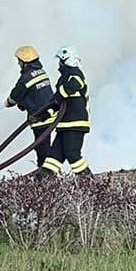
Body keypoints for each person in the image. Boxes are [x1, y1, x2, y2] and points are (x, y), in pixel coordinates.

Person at [39, 46, 91, 178]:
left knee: (72, 154)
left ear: (65, 60)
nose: (59, 64)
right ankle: (43, 183)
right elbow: (58, 102)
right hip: (64, 124)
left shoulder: (75, 73)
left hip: (75, 123)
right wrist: (46, 113)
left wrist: (59, 96)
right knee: (53, 157)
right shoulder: (64, 78)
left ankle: (89, 181)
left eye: (60, 61)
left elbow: (73, 85)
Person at [5, 45, 58, 169]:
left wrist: (8, 102)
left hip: (39, 118)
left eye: (19, 61)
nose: (18, 63)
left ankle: (46, 179)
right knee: (45, 148)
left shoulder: (26, 78)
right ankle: (47, 176)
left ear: (24, 62)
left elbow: (14, 96)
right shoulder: (42, 72)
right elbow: (37, 93)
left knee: (42, 151)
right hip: (50, 115)